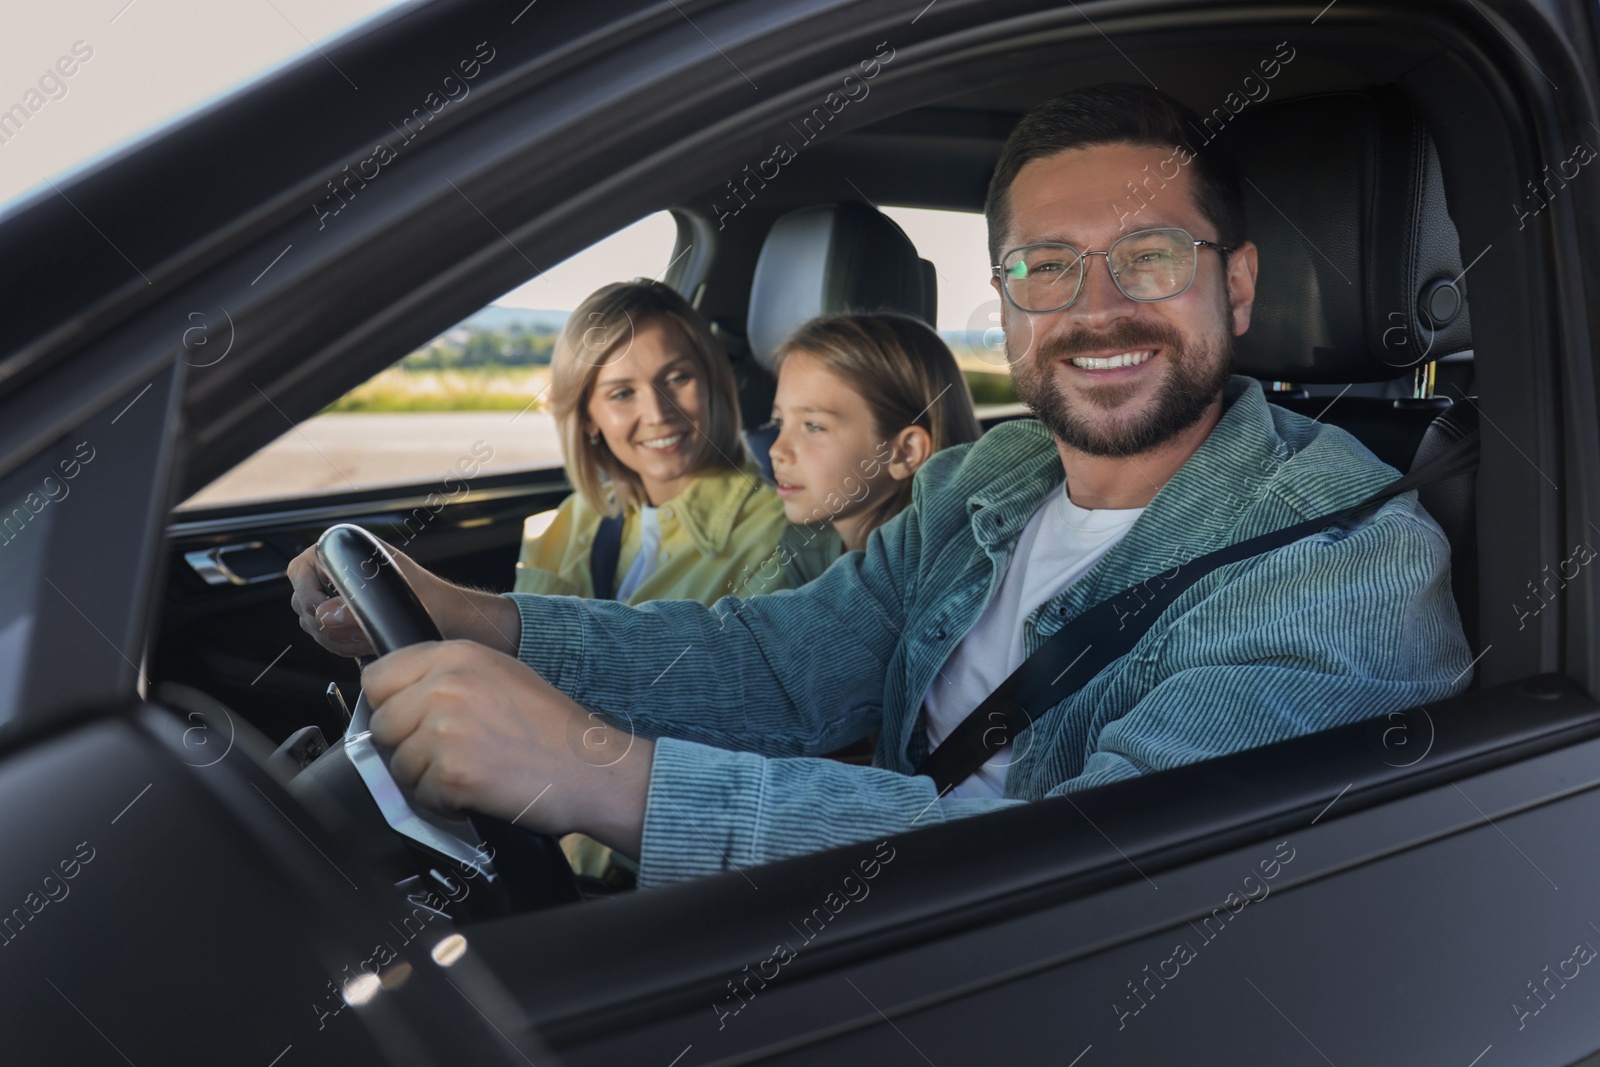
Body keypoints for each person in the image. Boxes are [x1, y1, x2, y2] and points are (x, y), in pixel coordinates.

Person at [288, 83, 1473, 890]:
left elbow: (1069, 869)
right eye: (1046, 268)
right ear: (1002, 305)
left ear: (1241, 287)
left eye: (1150, 258)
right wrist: (470, 616)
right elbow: (780, 664)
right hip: (858, 908)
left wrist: (597, 776)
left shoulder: (1343, 561)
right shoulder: (985, 478)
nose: (1097, 307)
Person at [512, 278, 789, 606]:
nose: (658, 414)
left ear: (710, 382)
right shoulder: (575, 518)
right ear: (587, 420)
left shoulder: (776, 536)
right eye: (623, 394)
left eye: (676, 378)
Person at [760, 312, 982, 591]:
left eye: (813, 426)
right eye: (780, 422)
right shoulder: (805, 549)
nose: (776, 450)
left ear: (904, 453)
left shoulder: (949, 578)